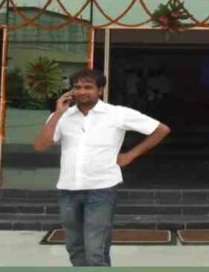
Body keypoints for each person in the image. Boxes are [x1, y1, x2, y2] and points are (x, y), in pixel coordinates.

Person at [33, 68, 171, 267]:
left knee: (95, 250)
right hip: (68, 190)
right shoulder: (62, 116)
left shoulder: (117, 114)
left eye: (88, 87)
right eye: (77, 87)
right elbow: (40, 146)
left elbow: (161, 129)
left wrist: (130, 155)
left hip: (101, 190)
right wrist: (58, 114)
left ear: (100, 90)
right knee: (74, 246)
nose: (82, 91)